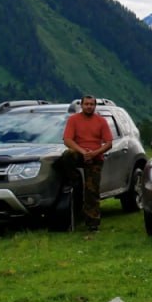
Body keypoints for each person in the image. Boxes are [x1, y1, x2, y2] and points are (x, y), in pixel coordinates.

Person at [63, 95, 114, 234]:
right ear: (82, 105)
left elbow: (109, 143)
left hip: (95, 157)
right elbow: (67, 139)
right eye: (86, 104)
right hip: (79, 153)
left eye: (92, 104)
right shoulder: (73, 120)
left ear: (95, 106)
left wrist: (94, 153)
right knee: (66, 156)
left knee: (92, 191)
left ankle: (93, 224)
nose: (89, 106)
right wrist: (82, 151)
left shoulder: (101, 121)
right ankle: (75, 181)